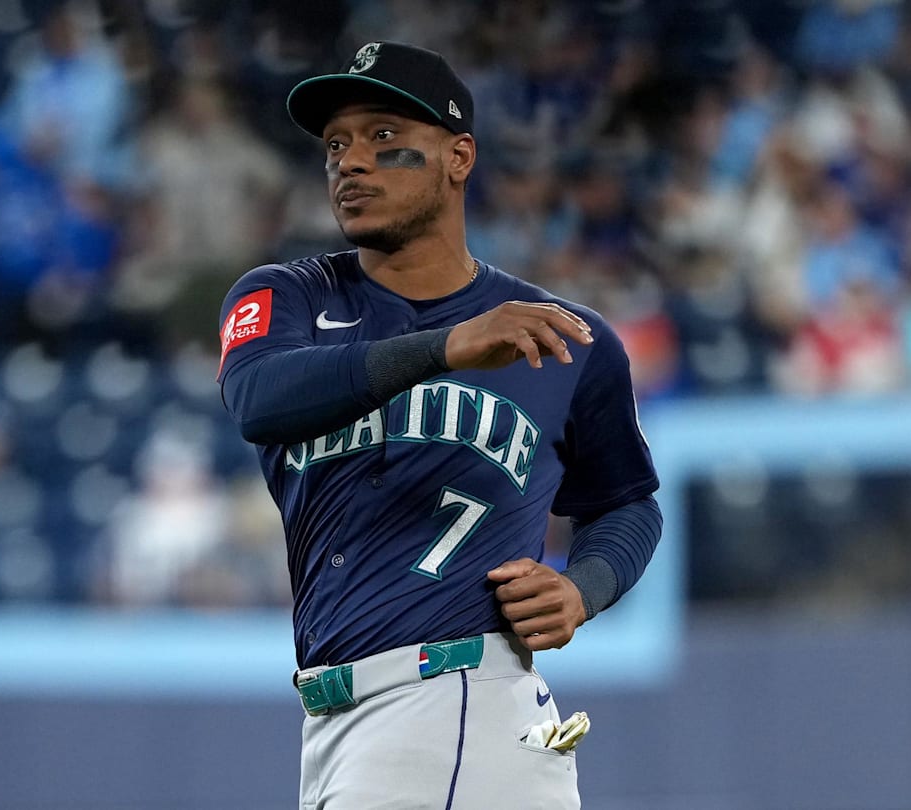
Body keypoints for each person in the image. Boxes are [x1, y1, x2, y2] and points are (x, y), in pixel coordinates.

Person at [216, 42, 662, 809]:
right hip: (341, 721)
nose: (352, 161)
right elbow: (259, 400)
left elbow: (626, 503)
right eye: (336, 145)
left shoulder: (563, 339)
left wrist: (581, 588)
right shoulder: (288, 298)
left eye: (385, 137)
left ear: (459, 157)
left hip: (454, 701)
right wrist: (445, 346)